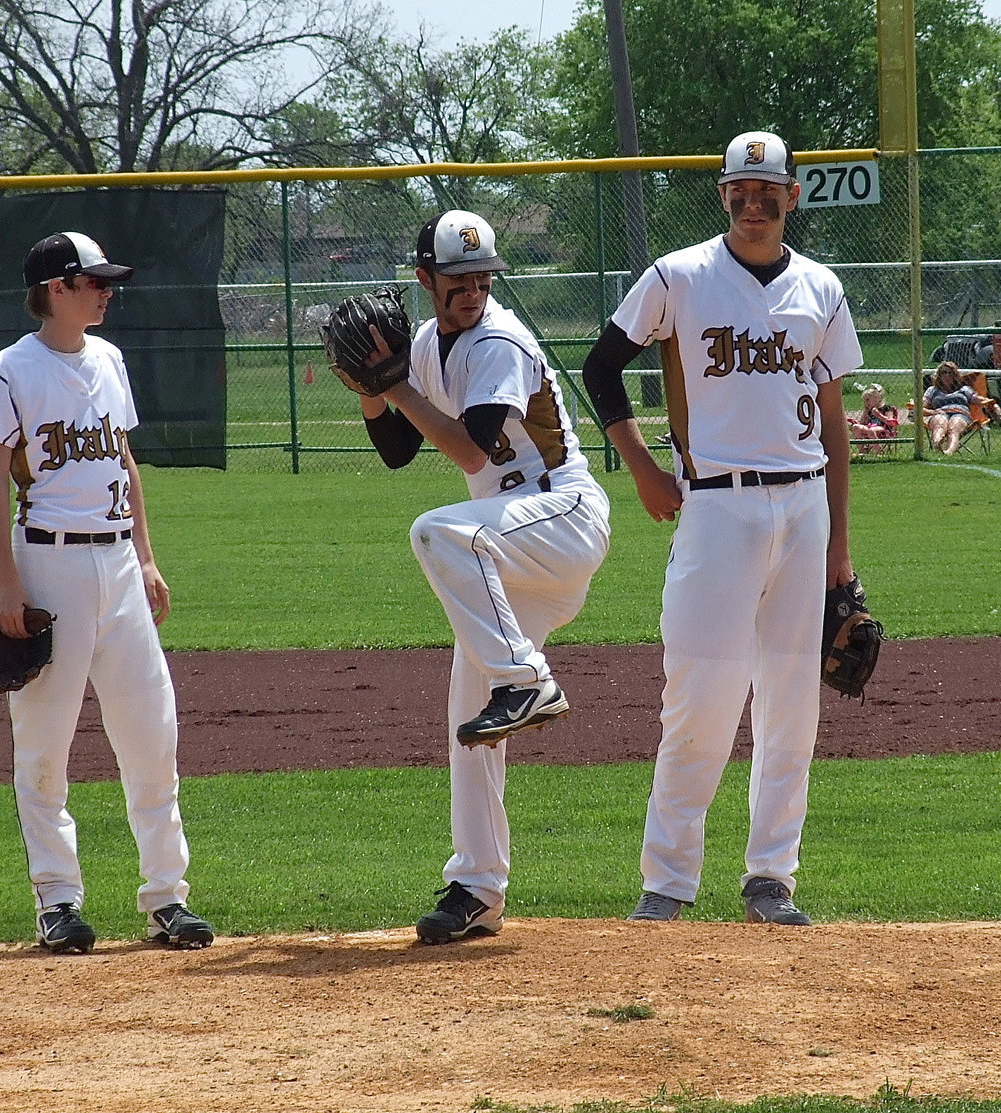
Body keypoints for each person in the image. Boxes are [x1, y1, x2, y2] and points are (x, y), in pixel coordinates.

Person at [582, 130, 864, 926]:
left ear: (792, 196)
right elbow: (600, 365)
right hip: (716, 506)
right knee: (699, 699)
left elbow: (834, 420)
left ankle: (772, 877)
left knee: (791, 705)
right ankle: (667, 881)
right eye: (738, 190)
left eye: (766, 190)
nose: (752, 203)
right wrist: (640, 465)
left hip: (804, 508)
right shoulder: (681, 275)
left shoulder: (822, 287)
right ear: (722, 195)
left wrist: (841, 543)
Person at [352, 210, 611, 944]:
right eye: (458, 277)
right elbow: (400, 450)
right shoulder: (433, 341)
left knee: (436, 531)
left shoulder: (496, 338)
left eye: (483, 275)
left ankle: (527, 677)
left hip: (558, 514)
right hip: (508, 548)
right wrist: (373, 388)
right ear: (425, 278)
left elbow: (470, 454)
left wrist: (397, 384)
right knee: (472, 714)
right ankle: (477, 885)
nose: (472, 288)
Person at [0, 232, 213, 953]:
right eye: (94, 281)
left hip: (117, 566)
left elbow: (126, 460)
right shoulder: (10, 370)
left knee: (151, 733)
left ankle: (166, 899)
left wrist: (147, 558)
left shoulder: (109, 359)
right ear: (56, 287)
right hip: (48, 566)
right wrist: (9, 581)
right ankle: (58, 900)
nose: (107, 291)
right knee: (44, 745)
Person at [922, 360, 995, 455]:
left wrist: (991, 404)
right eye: (944, 373)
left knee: (954, 428)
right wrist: (932, 412)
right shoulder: (932, 390)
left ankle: (948, 452)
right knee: (940, 423)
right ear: (939, 375)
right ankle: (938, 444)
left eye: (950, 373)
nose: (947, 376)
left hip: (960, 414)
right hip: (940, 413)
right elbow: (921, 407)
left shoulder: (964, 389)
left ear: (955, 375)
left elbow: (977, 399)